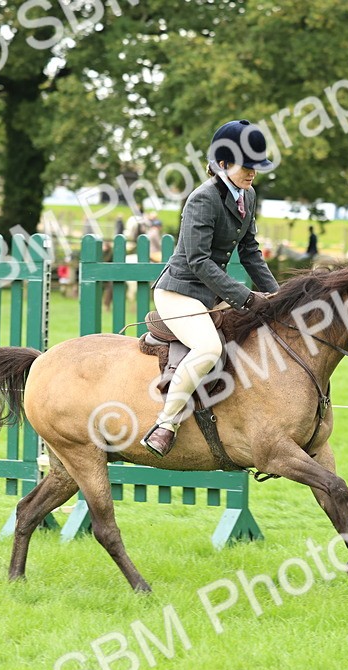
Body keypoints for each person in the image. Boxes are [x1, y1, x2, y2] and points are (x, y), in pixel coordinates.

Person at [142, 119, 280, 457]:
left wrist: (278, 297)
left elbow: (250, 251)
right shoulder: (202, 199)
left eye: (256, 167)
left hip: (211, 293)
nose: (253, 173)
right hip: (179, 292)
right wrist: (245, 297)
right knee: (208, 349)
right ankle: (165, 423)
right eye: (246, 166)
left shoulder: (247, 195)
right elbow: (198, 261)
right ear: (222, 163)